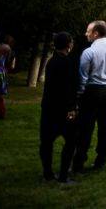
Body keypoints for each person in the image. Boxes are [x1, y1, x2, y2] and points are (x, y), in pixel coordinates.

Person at [73, 20, 106, 173]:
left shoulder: (89, 52)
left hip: (92, 90)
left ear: (95, 33)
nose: (86, 34)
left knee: (85, 127)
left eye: (88, 31)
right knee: (105, 126)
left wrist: (80, 93)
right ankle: (101, 159)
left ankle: (79, 161)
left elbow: (83, 76)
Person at [39, 32, 79, 183]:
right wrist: (72, 107)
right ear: (68, 45)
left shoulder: (52, 62)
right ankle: (63, 175)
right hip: (63, 108)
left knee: (47, 141)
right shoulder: (68, 63)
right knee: (70, 141)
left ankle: (47, 173)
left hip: (49, 107)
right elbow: (69, 88)